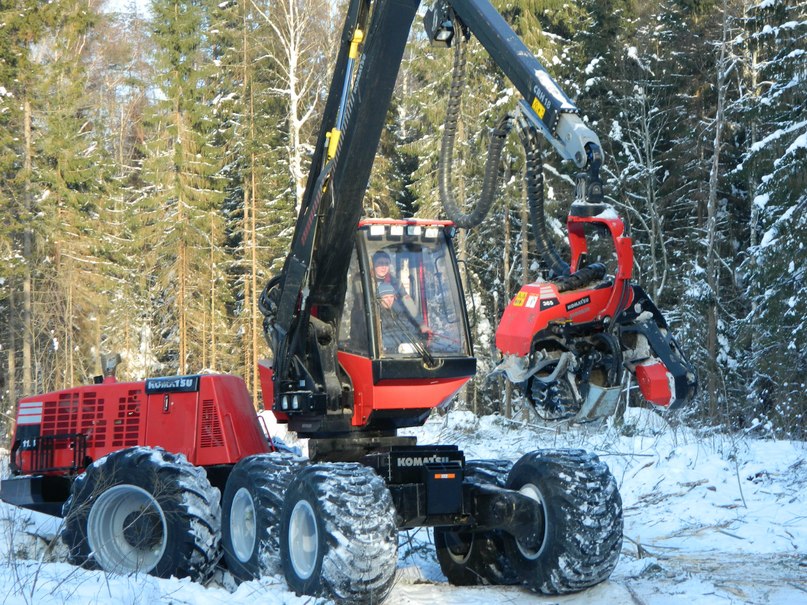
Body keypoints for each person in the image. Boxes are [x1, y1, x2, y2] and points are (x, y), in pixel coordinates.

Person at [376, 282, 431, 354]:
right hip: (389, 353)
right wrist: (396, 349)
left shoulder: (399, 312)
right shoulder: (376, 316)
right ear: (379, 299)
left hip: (405, 350)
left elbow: (409, 330)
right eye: (386, 297)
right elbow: (379, 341)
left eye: (391, 297)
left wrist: (419, 341)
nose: (389, 300)